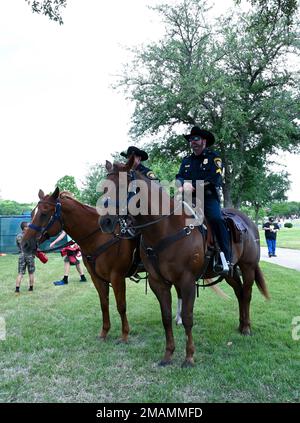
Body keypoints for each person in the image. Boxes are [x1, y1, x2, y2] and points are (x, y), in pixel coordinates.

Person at [176, 125, 231, 274]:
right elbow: (179, 176)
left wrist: (193, 186)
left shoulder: (214, 158)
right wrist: (181, 185)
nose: (193, 141)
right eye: (191, 139)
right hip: (186, 198)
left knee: (216, 219)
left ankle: (225, 258)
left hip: (207, 198)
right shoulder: (186, 160)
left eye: (196, 138)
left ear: (204, 141)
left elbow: (215, 178)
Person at [15, 222, 35, 293]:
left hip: (22, 255)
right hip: (30, 255)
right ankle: (31, 288)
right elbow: (34, 246)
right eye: (28, 226)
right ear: (25, 228)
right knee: (31, 272)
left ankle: (17, 289)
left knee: (20, 273)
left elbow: (18, 245)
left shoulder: (18, 236)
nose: (29, 227)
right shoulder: (31, 236)